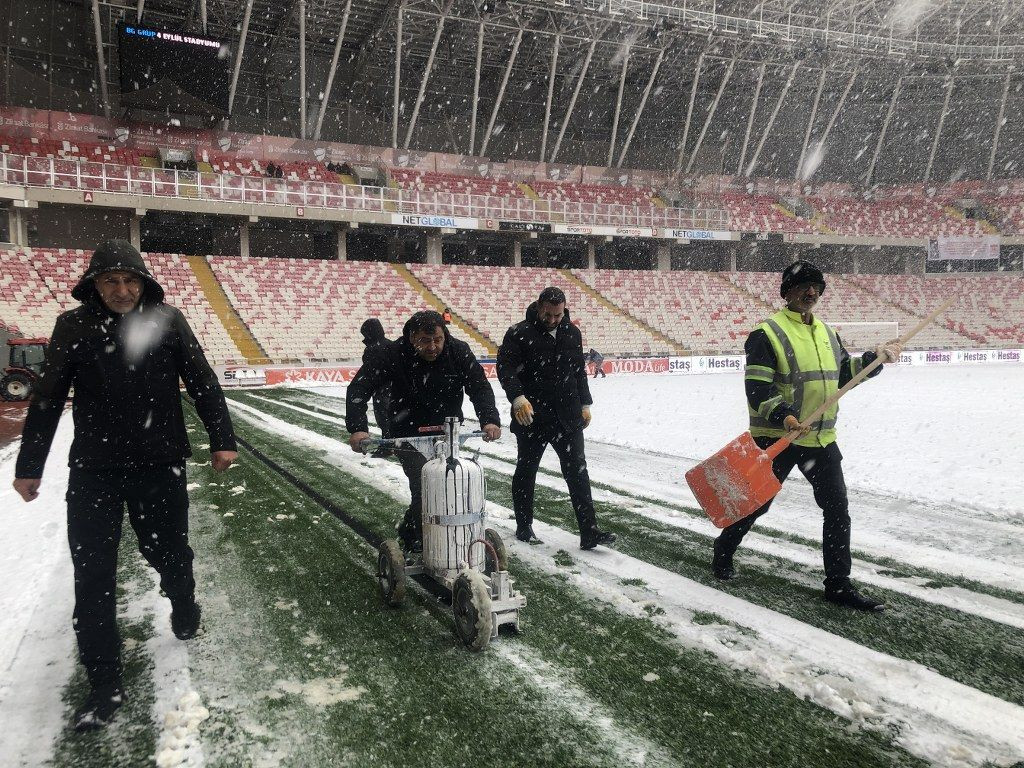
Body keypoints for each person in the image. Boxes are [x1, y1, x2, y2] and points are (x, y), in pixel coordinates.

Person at [12, 240, 238, 729]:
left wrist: (223, 439)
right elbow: (48, 397)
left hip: (160, 464)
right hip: (95, 469)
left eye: (130, 280)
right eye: (111, 280)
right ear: (94, 284)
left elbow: (201, 381)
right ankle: (104, 683)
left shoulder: (168, 320)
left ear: (145, 284)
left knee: (170, 553)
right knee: (92, 575)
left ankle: (183, 600)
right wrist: (30, 465)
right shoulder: (73, 325)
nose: (121, 289)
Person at [712, 260, 901, 612]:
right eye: (803, 287)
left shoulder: (828, 333)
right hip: (777, 439)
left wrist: (874, 361)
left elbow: (844, 375)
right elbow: (757, 387)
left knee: (837, 511)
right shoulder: (766, 333)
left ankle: (838, 585)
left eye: (816, 287)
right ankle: (724, 548)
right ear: (787, 292)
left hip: (821, 440)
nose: (810, 292)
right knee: (757, 505)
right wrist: (783, 415)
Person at [346, 310, 501, 552]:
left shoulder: (458, 351)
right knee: (425, 486)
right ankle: (417, 538)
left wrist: (489, 419)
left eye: (437, 340)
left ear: (444, 335)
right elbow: (359, 389)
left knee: (453, 485)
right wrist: (358, 429)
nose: (432, 347)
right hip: (407, 432)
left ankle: (426, 529)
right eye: (424, 341)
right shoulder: (392, 354)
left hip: (447, 431)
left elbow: (479, 386)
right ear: (411, 337)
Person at [497, 287, 617, 551]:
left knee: (578, 472)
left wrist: (585, 403)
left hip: (568, 416)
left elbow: (578, 372)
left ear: (564, 309)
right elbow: (505, 368)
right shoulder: (518, 333)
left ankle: (589, 531)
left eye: (558, 314)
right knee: (527, 470)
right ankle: (524, 524)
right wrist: (517, 397)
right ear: (539, 307)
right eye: (549, 314)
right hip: (532, 416)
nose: (553, 320)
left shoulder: (571, 332)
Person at [359, 318, 393, 445]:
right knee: (391, 417)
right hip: (392, 388)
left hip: (381, 388)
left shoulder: (372, 349)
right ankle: (392, 442)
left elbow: (369, 370)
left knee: (383, 418)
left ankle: (388, 444)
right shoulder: (391, 344)